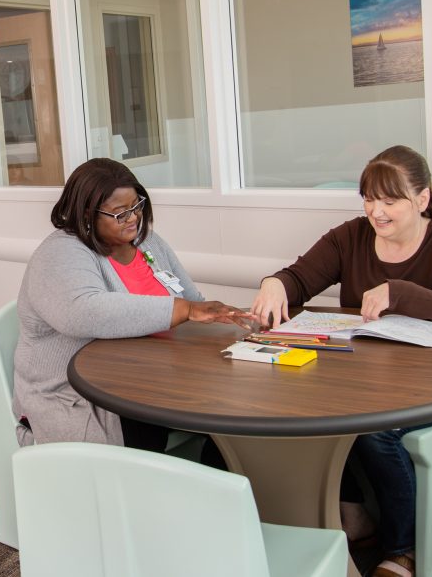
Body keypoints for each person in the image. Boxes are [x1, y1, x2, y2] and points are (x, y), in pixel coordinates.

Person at [250, 145, 432, 577]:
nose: (375, 211)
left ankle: (404, 548)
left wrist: (398, 292)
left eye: (389, 200)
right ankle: (351, 515)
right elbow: (301, 276)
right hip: (360, 380)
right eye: (368, 198)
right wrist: (275, 284)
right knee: (297, 409)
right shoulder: (352, 236)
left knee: (375, 429)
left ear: (421, 199)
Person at [13, 157, 257, 463]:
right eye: (119, 213)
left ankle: (221, 492)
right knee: (196, 419)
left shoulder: (148, 243)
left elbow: (191, 299)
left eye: (136, 205)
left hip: (158, 377)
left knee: (232, 410)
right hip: (83, 395)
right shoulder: (61, 252)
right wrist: (184, 310)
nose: (133, 218)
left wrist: (214, 315)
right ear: (87, 213)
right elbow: (83, 312)